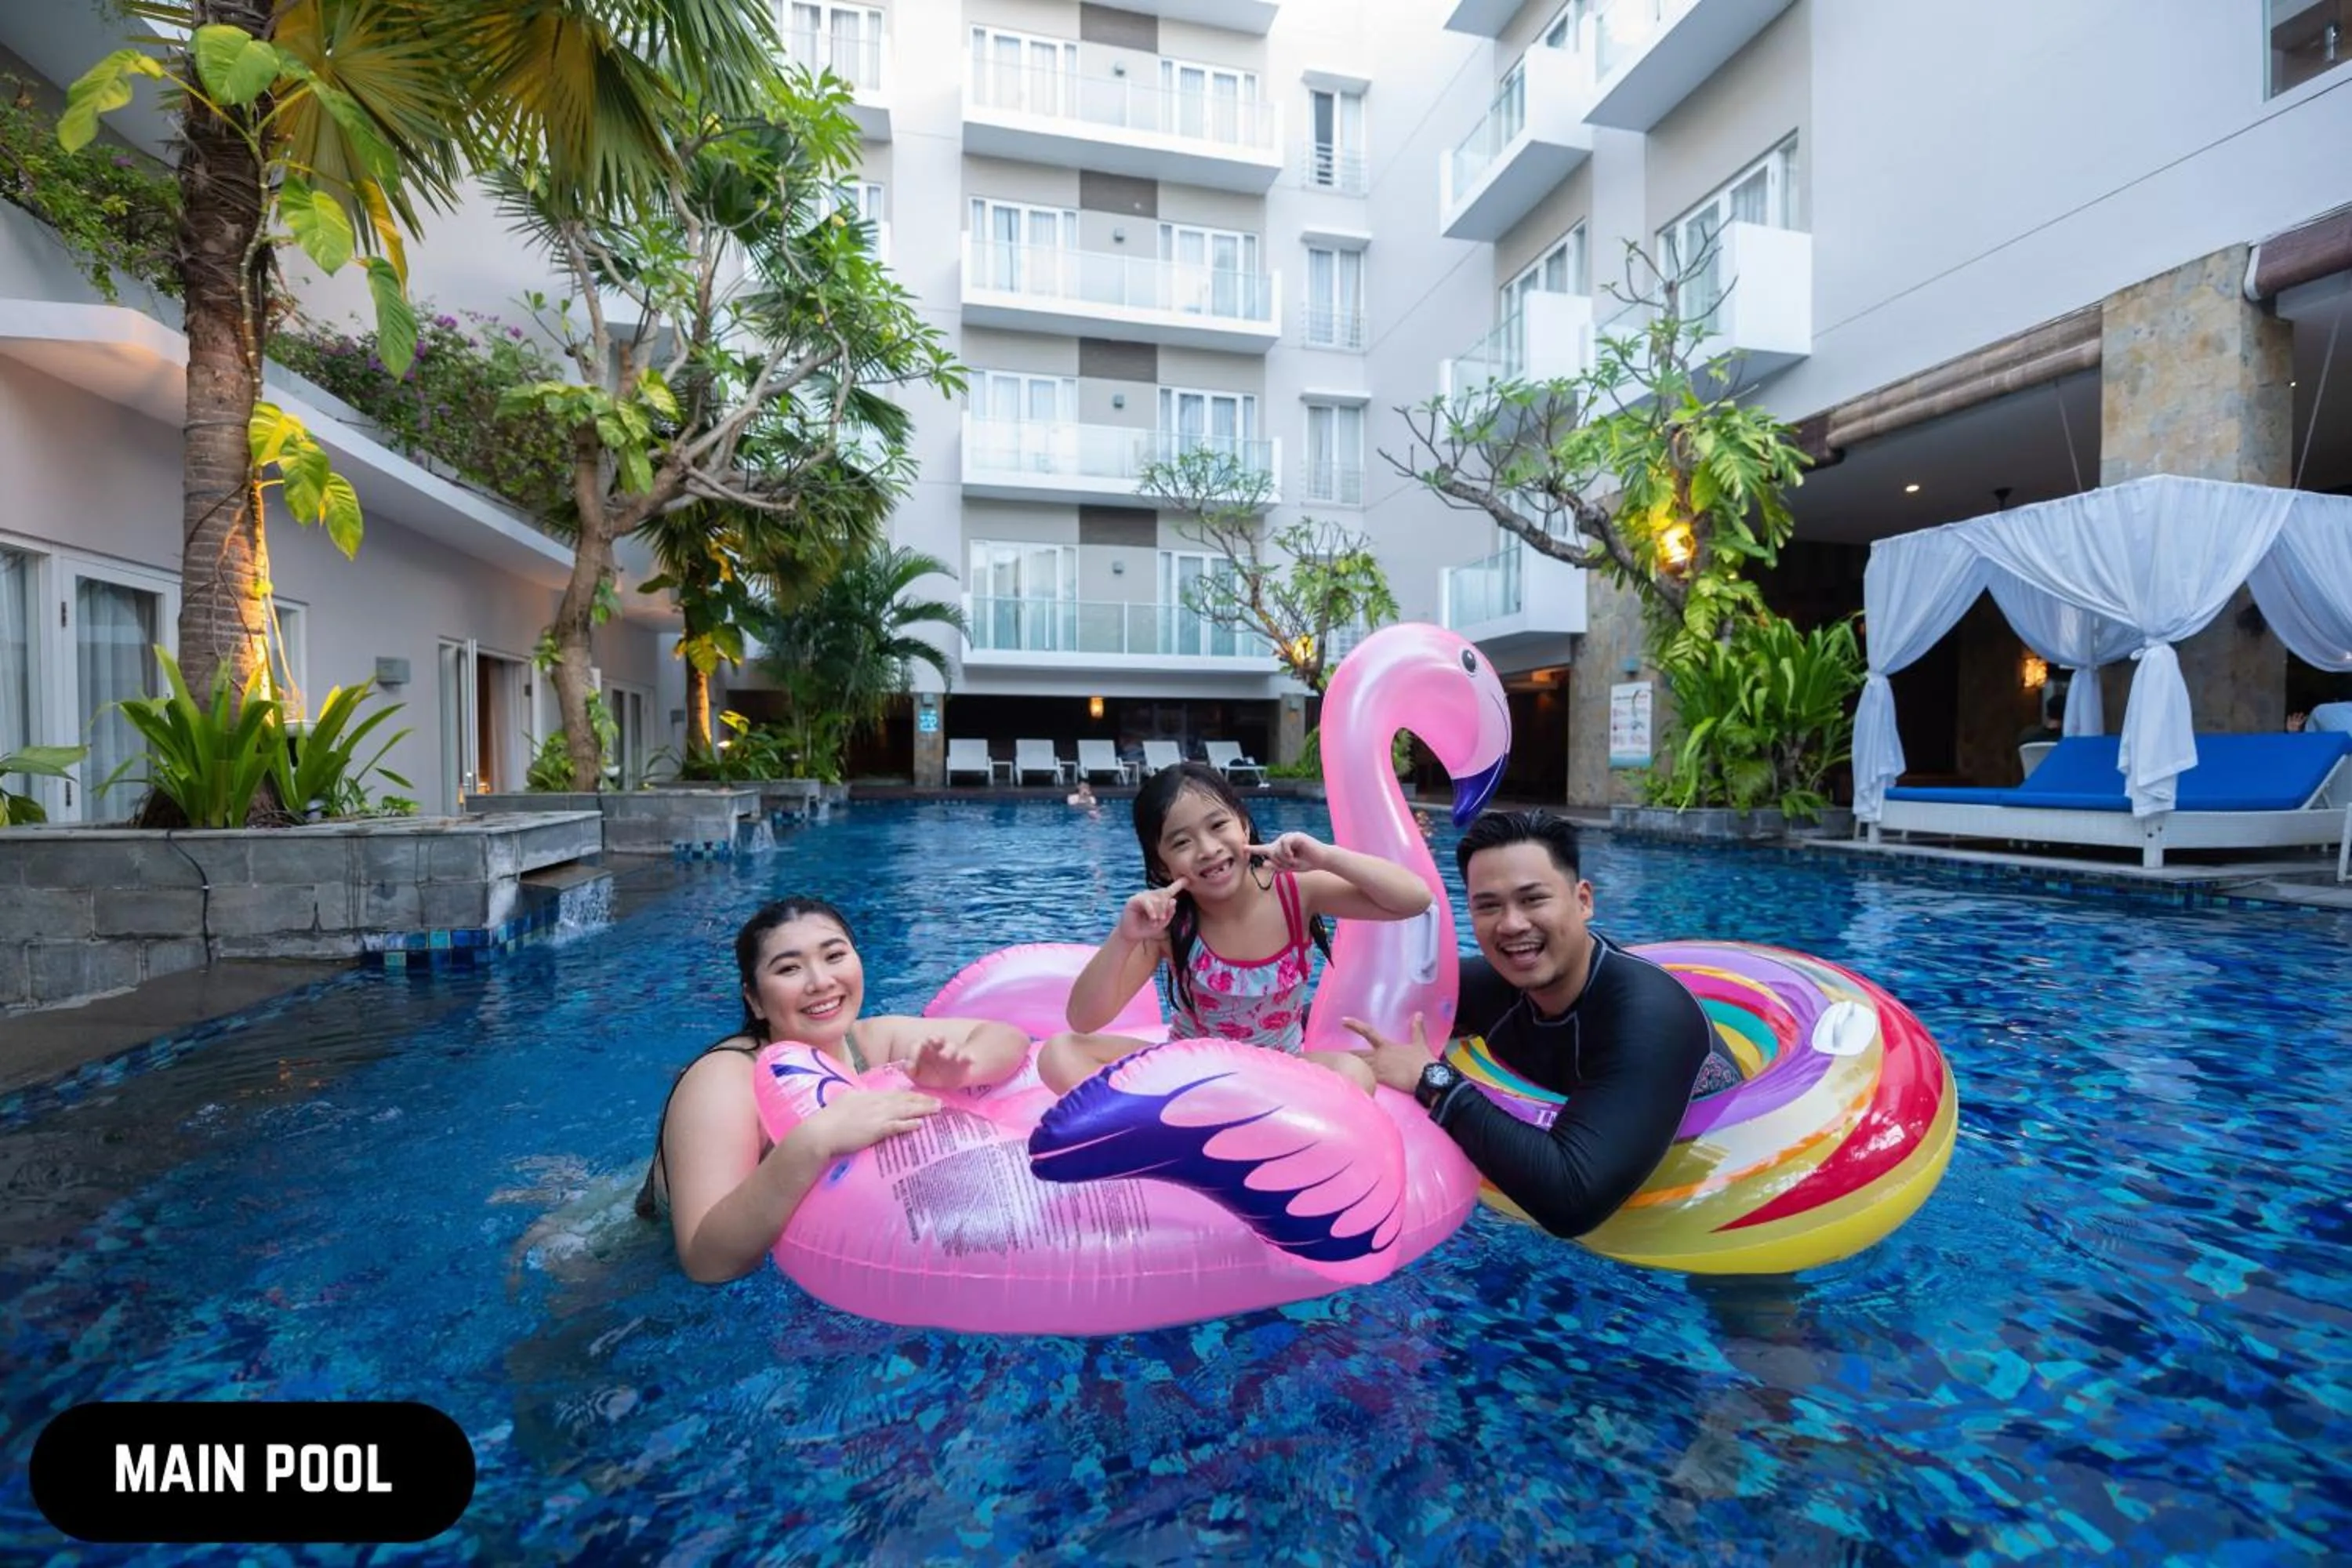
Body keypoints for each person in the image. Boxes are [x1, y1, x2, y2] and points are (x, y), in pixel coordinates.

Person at [1344, 811, 1734, 1239]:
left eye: (1533, 899)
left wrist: (1432, 1079)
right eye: (1488, 906)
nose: (1512, 925)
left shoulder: (1651, 1016)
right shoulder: (1494, 987)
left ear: (1583, 900)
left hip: (1720, 1203)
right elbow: (1359, 1017)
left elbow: (1572, 1201)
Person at [638, 895, 1037, 1283]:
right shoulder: (725, 1081)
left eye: (834, 956)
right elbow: (706, 1264)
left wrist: (963, 1069)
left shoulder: (869, 1042)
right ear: (755, 1000)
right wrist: (814, 1141)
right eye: (789, 969)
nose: (821, 982)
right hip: (648, 1266)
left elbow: (1007, 1037)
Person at [1041, 761, 1433, 1095]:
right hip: (1189, 1076)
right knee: (1060, 1053)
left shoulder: (1295, 892)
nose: (1208, 848)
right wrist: (1124, 937)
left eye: (1218, 825)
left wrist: (1326, 857)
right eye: (1182, 842)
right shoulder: (1169, 924)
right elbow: (1083, 1020)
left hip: (1278, 1074)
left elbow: (1413, 899)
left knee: (1354, 1075)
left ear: (1243, 825)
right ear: (1162, 867)